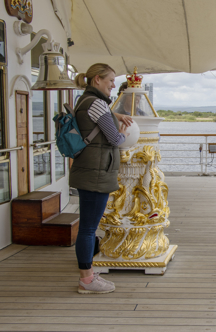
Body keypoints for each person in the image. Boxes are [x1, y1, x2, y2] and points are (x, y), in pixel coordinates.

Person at [70, 63, 132, 294]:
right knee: (88, 228)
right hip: (95, 174)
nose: (113, 85)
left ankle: (87, 275)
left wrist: (112, 114)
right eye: (110, 80)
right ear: (97, 79)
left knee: (88, 226)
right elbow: (115, 139)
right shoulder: (97, 103)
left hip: (90, 170)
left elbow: (96, 119)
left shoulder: (86, 100)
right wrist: (124, 133)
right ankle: (86, 281)